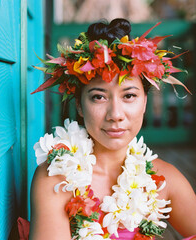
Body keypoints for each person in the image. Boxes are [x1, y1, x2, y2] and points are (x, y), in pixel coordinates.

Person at [28, 18, 196, 240]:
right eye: (99, 97)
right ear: (79, 104)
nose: (115, 114)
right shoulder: (57, 179)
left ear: (144, 101)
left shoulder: (165, 179)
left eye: (129, 96)